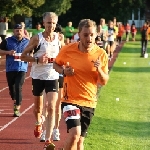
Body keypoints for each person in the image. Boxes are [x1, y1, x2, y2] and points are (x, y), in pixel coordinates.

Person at [53, 19, 109, 150]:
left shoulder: (101, 54)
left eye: (92, 35)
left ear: (96, 35)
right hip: (70, 99)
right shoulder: (68, 50)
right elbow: (56, 64)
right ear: (79, 34)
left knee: (79, 143)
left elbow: (104, 81)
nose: (89, 38)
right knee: (75, 134)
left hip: (89, 102)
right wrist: (63, 71)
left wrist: (99, 69)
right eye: (85, 35)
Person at [21, 12, 60, 149]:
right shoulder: (37, 39)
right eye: (49, 23)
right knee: (38, 109)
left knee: (51, 106)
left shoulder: (58, 38)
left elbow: (63, 55)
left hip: (53, 76)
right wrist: (37, 59)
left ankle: (48, 139)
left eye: (54, 23)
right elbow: (23, 56)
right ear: (43, 23)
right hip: (38, 76)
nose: (51, 26)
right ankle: (38, 122)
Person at [40, 23, 65, 142]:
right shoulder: (48, 43)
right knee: (46, 105)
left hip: (59, 77)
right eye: (57, 33)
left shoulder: (62, 45)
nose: (58, 35)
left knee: (57, 106)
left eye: (60, 33)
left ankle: (56, 130)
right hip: (48, 76)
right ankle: (45, 130)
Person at [0, 24, 29, 117]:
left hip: (22, 68)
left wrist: (29, 56)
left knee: (18, 86)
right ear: (14, 31)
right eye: (17, 30)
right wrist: (8, 52)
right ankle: (15, 99)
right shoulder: (7, 41)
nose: (18, 32)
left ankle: (17, 108)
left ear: (23, 31)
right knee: (12, 90)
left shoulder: (28, 41)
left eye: (20, 30)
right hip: (10, 68)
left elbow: (33, 51)